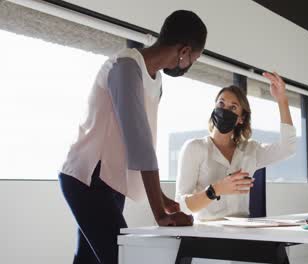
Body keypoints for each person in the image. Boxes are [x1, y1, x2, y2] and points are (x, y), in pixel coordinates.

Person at [58, 10, 207, 264]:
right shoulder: (126, 66)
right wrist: (159, 213)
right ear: (184, 51)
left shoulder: (156, 79)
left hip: (111, 183)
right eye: (194, 58)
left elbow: (143, 142)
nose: (190, 65)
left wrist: (161, 198)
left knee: (89, 259)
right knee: (123, 257)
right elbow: (139, 142)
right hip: (86, 179)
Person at [175, 72, 296, 221]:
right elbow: (181, 205)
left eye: (233, 108)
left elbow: (288, 147)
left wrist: (282, 99)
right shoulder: (194, 148)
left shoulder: (250, 150)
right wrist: (216, 189)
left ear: (241, 118)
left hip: (243, 234)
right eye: (221, 103)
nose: (225, 110)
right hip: (207, 235)